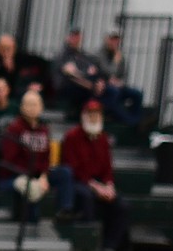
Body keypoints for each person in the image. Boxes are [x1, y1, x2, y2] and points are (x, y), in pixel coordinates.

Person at [0, 91, 77, 223]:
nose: (32, 108)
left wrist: (44, 176)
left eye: (35, 104)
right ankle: (32, 224)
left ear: (41, 107)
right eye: (29, 104)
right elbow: (10, 160)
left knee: (65, 172)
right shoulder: (14, 129)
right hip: (17, 176)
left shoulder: (44, 129)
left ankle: (64, 211)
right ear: (22, 107)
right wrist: (32, 176)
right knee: (31, 188)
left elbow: (46, 158)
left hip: (39, 174)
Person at [62, 99, 132, 251]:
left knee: (122, 206)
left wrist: (109, 185)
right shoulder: (72, 137)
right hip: (79, 182)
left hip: (100, 183)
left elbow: (107, 168)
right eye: (91, 114)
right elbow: (73, 169)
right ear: (84, 115)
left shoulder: (103, 138)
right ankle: (88, 244)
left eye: (97, 114)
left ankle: (109, 246)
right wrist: (95, 187)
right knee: (86, 197)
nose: (94, 117)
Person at [97, 31, 144, 126]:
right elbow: (107, 71)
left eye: (116, 39)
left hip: (117, 85)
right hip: (103, 87)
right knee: (114, 93)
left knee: (137, 93)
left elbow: (124, 74)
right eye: (112, 39)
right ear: (106, 40)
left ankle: (137, 119)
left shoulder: (119, 55)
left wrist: (121, 82)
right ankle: (128, 120)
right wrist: (115, 61)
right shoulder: (100, 54)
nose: (114, 42)